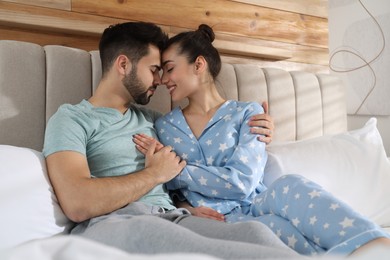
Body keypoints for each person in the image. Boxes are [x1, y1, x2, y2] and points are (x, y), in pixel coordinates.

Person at [42, 21, 300, 259]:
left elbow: (199, 145)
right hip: (119, 222)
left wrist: (257, 126)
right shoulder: (71, 120)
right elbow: (77, 203)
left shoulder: (157, 122)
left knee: (254, 234)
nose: (160, 80)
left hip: (176, 216)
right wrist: (154, 174)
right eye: (154, 70)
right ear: (123, 65)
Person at [133, 24, 390, 256]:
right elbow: (168, 191)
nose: (163, 79)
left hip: (256, 203)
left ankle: (373, 242)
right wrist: (186, 207)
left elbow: (242, 182)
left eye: (169, 69)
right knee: (273, 230)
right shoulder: (165, 126)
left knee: (290, 184)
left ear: (198, 65)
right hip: (216, 220)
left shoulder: (249, 113)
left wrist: (175, 170)